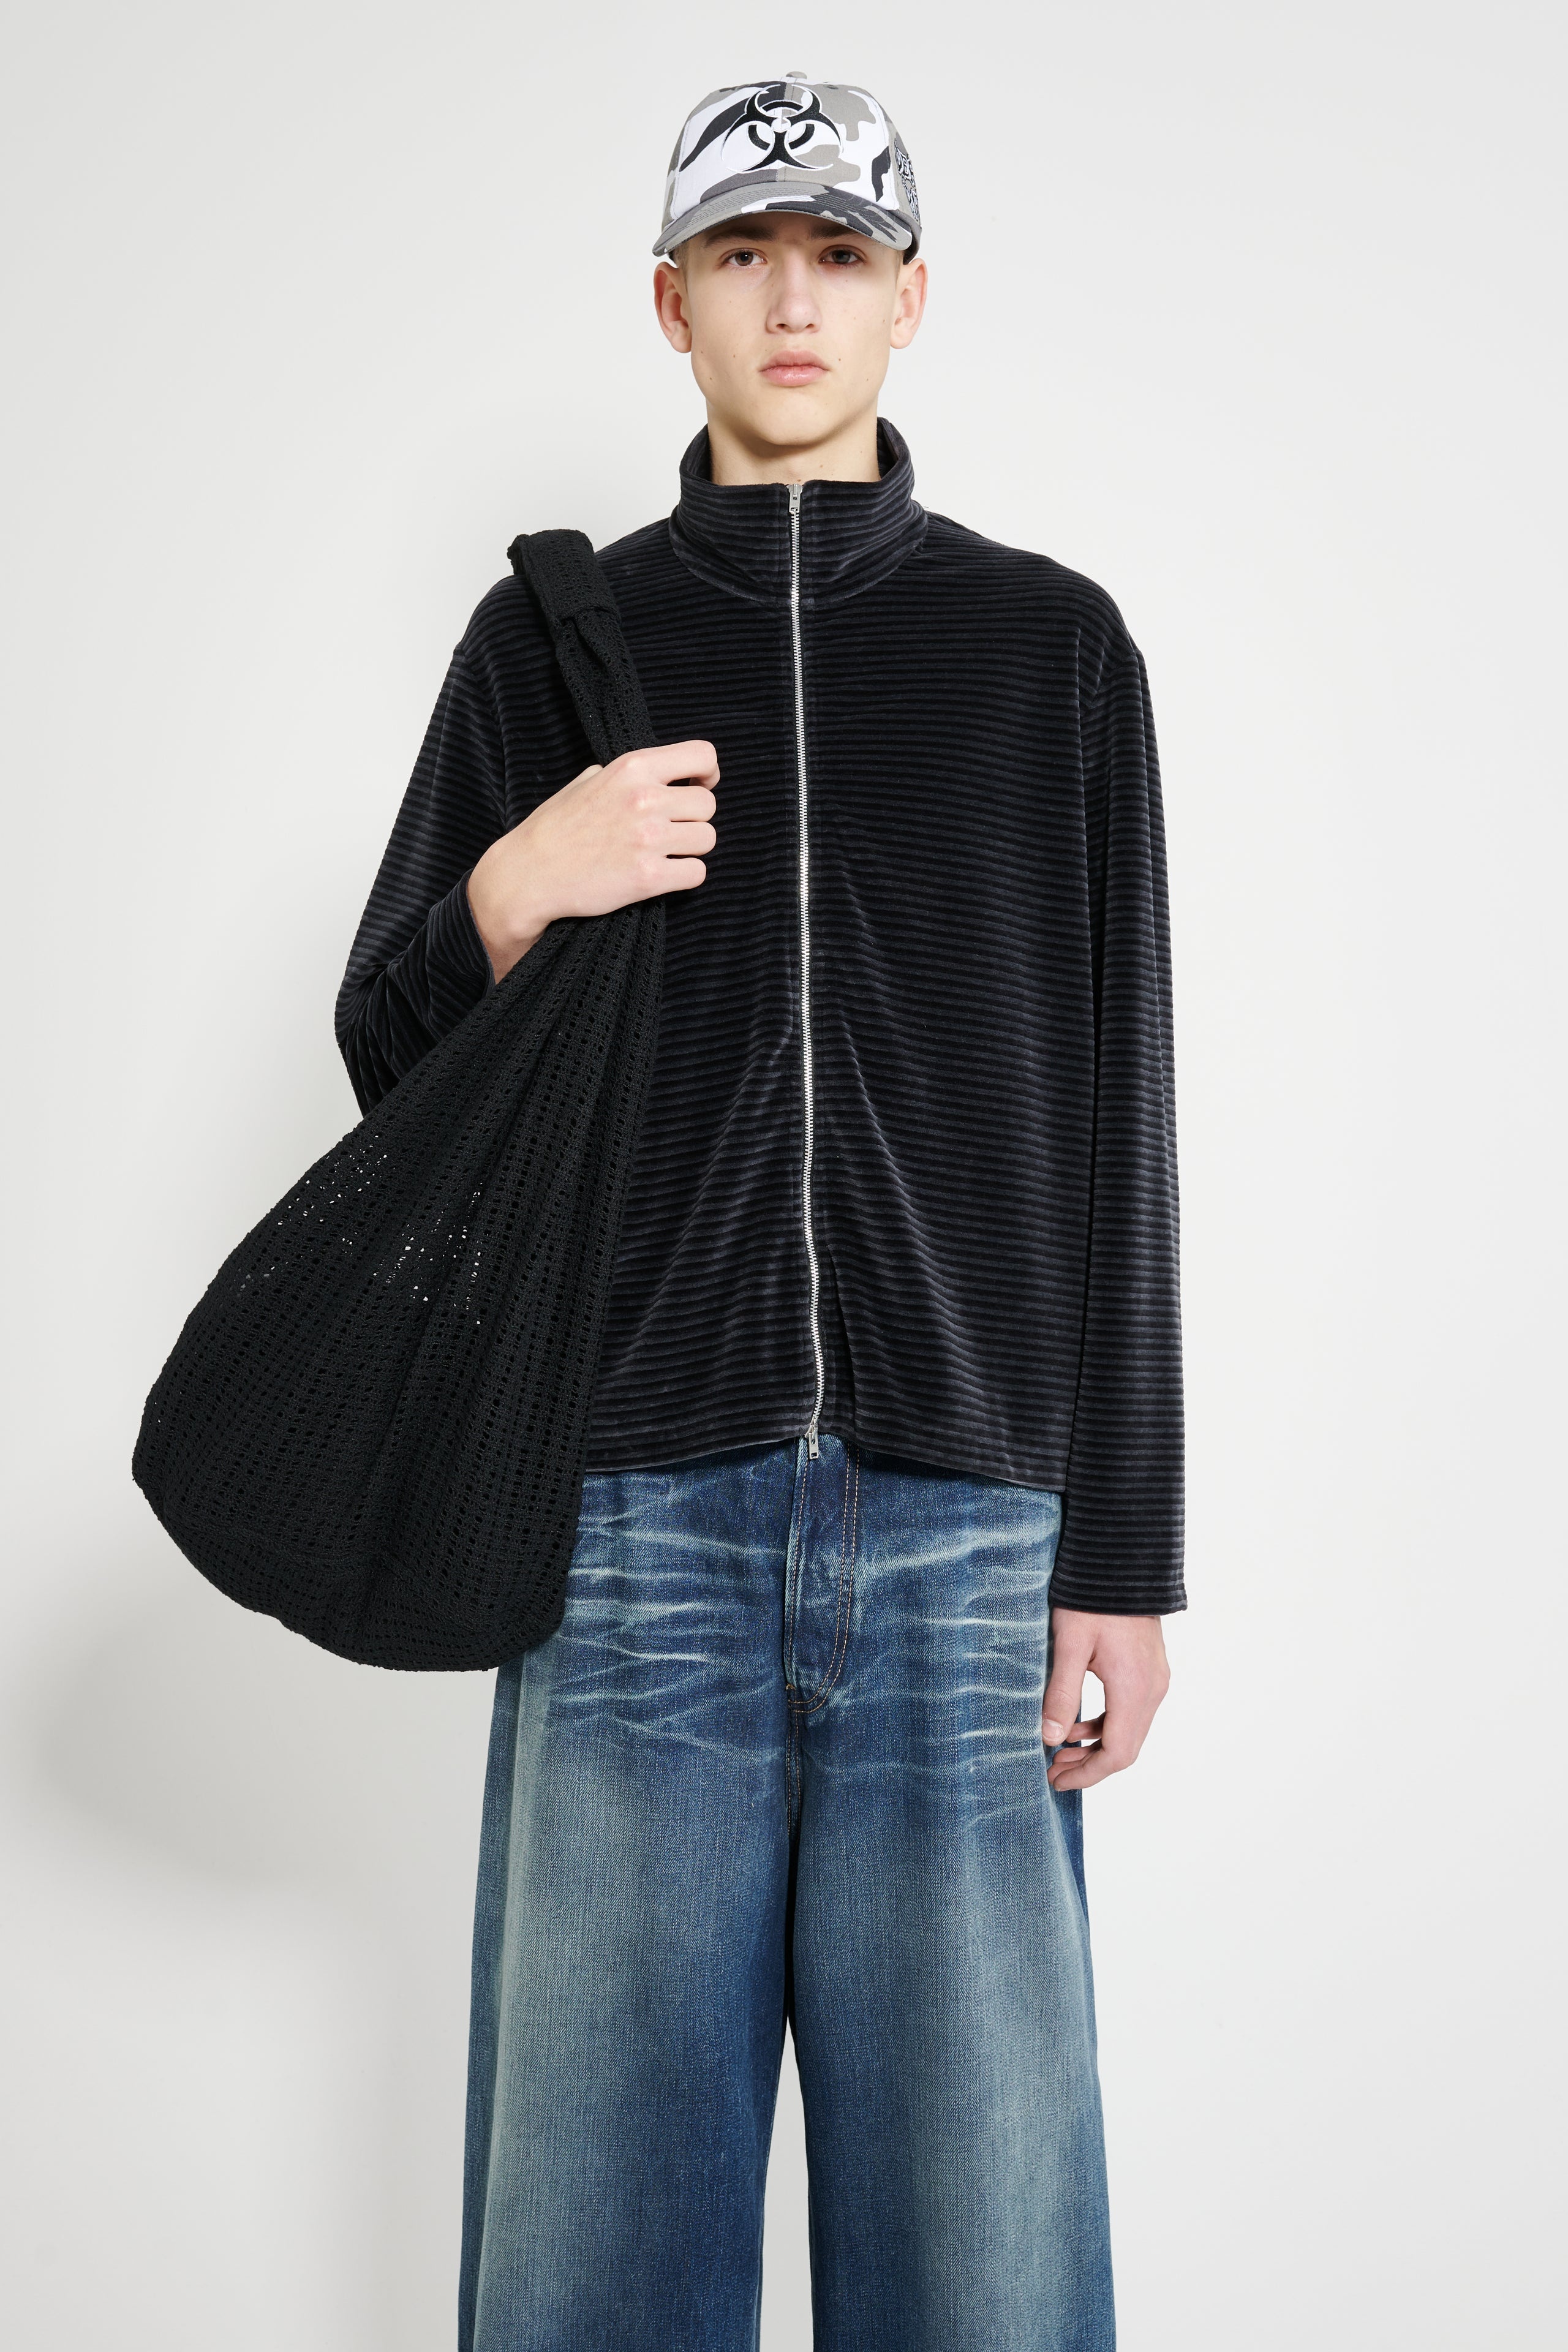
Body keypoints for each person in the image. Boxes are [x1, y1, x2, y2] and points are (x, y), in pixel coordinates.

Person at [336, 74, 1183, 2352]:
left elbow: (1124, 1109)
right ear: (671, 304)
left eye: (835, 256)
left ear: (910, 301)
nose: (790, 301)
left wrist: (1124, 1552)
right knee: (593, 2274)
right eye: (741, 256)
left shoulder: (1051, 651)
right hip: (628, 1535)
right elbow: (391, 1057)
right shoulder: (552, 648)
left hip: (971, 1549)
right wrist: (520, 885)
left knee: (985, 2277)